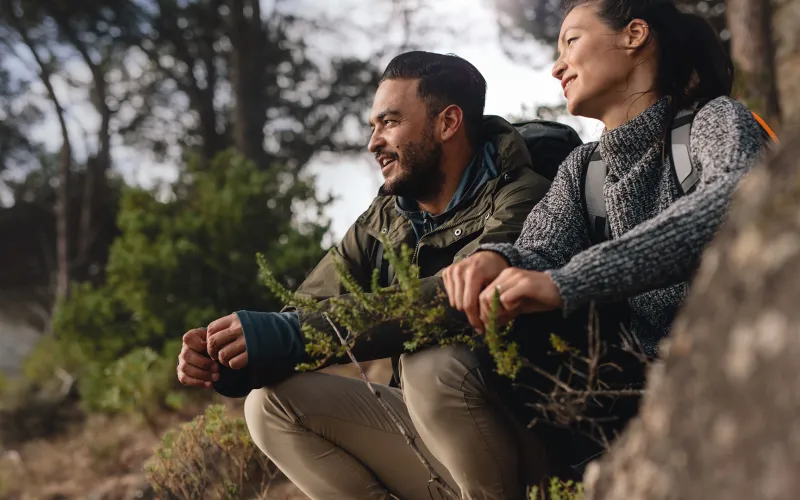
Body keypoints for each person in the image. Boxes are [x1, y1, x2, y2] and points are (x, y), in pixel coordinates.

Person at [177, 51, 557, 499]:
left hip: (533, 449)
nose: (374, 142)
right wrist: (236, 358)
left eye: (390, 122)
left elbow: (448, 305)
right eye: (373, 126)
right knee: (268, 406)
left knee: (430, 363)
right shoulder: (386, 219)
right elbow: (304, 313)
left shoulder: (524, 195)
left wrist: (286, 335)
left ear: (448, 123)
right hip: (441, 447)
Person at [442, 0, 768, 480]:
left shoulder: (714, 120)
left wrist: (571, 280)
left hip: (749, 371)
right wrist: (496, 258)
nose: (557, 66)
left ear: (634, 34)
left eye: (571, 41)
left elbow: (729, 204)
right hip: (644, 402)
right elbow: (540, 251)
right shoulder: (583, 168)